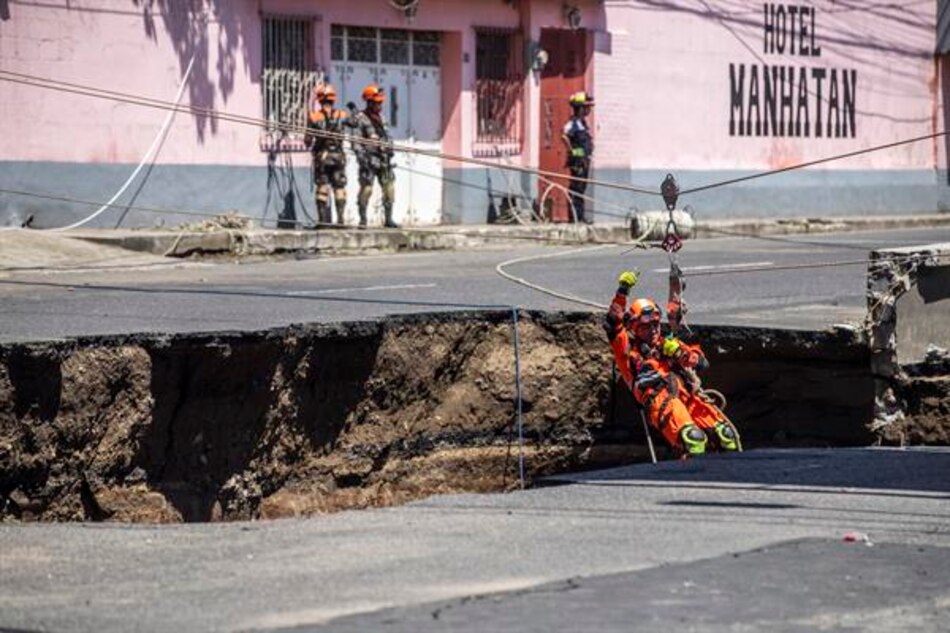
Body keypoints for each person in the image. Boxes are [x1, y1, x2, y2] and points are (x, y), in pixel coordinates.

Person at [604, 271, 741, 457]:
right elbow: (613, 322)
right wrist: (623, 291)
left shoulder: (667, 343)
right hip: (662, 400)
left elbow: (701, 362)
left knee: (726, 435)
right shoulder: (628, 351)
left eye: (655, 323)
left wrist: (680, 353)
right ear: (635, 328)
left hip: (688, 396)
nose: (653, 329)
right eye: (646, 326)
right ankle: (692, 478)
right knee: (693, 439)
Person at [351, 84, 398, 229]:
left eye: (381, 102)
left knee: (389, 189)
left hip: (384, 160)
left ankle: (388, 219)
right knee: (367, 189)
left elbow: (388, 136)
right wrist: (361, 157)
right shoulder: (361, 119)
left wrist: (390, 147)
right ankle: (363, 219)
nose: (380, 105)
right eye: (377, 102)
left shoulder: (382, 118)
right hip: (369, 160)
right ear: (369, 102)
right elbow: (356, 142)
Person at [304, 84, 351, 227]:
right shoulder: (342, 115)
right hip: (338, 156)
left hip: (323, 158)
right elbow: (354, 123)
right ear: (333, 99)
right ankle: (341, 220)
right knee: (339, 187)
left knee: (323, 187)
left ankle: (323, 221)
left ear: (319, 100)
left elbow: (308, 141)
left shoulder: (314, 117)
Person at [561, 91, 595, 224]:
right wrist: (574, 152)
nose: (589, 110)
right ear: (580, 108)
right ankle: (575, 217)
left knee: (581, 188)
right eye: (587, 107)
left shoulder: (582, 123)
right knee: (576, 189)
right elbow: (564, 137)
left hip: (584, 161)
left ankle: (580, 216)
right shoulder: (573, 124)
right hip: (578, 163)